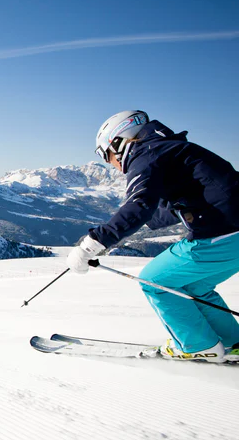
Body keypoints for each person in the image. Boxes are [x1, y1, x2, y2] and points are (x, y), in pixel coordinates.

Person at [67, 110, 239, 363]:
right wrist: (136, 225)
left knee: (154, 281)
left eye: (106, 155)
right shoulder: (171, 149)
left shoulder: (146, 154)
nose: (110, 163)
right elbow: (178, 204)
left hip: (222, 235)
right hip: (231, 234)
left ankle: (196, 345)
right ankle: (231, 341)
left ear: (118, 142)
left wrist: (91, 245)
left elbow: (139, 204)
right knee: (194, 286)